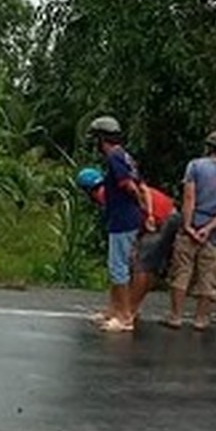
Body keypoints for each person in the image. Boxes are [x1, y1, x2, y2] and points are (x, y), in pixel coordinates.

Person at [76, 167, 181, 326]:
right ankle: (126, 308)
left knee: (142, 266)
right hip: (167, 214)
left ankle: (128, 311)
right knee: (144, 265)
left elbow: (132, 213)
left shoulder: (105, 194)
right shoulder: (113, 188)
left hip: (160, 219)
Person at [167, 130, 216, 331]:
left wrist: (189, 225)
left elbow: (189, 198)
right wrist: (209, 228)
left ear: (209, 147)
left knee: (181, 272)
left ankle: (176, 316)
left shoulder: (195, 166)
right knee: (208, 277)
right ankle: (201, 319)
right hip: (214, 233)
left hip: (191, 226)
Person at [87, 116, 153, 333]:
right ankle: (114, 310)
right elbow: (141, 185)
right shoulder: (126, 156)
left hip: (122, 218)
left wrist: (137, 202)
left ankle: (124, 316)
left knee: (118, 268)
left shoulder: (114, 157)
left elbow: (129, 185)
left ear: (102, 139)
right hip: (126, 217)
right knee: (119, 265)